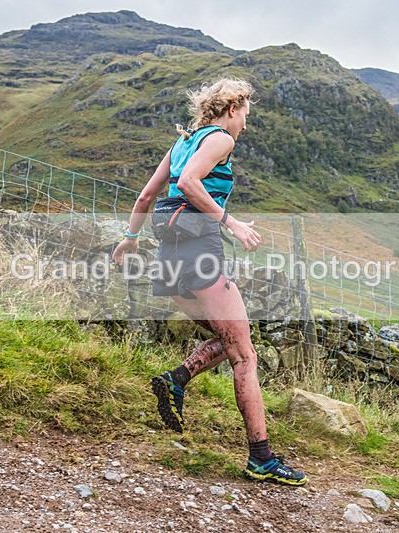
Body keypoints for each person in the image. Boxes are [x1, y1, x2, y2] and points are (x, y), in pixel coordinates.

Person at [112, 78, 307, 486]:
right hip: (199, 249)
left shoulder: (181, 143)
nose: (245, 126)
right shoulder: (219, 139)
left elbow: (146, 197)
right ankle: (261, 458)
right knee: (244, 356)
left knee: (231, 338)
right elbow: (188, 184)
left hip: (168, 255)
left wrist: (129, 240)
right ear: (232, 108)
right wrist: (231, 223)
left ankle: (176, 380)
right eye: (246, 116)